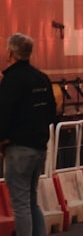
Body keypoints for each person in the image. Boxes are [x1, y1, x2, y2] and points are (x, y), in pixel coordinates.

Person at [0, 33, 58, 236]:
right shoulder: (42, 78)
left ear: (10, 52)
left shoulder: (11, 80)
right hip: (39, 148)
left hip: (18, 149)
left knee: (21, 204)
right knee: (32, 201)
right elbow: (52, 112)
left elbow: (3, 113)